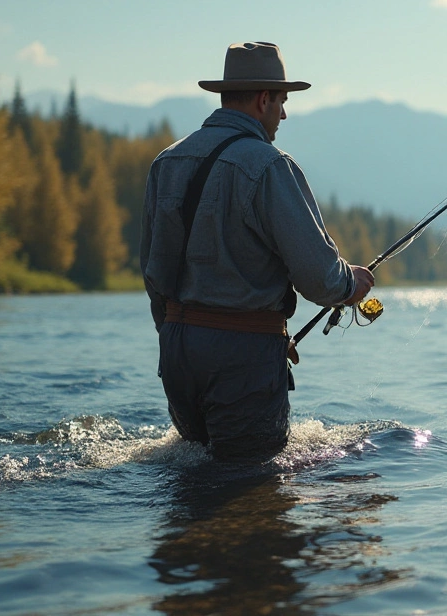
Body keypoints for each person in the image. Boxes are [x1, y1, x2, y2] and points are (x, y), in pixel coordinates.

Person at [140, 41, 373, 461]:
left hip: (176, 351)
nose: (283, 114)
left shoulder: (166, 162)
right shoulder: (268, 165)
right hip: (242, 362)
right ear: (264, 99)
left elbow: (153, 275)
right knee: (248, 483)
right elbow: (319, 278)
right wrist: (350, 285)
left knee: (191, 485)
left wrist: (188, 335)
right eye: (281, 102)